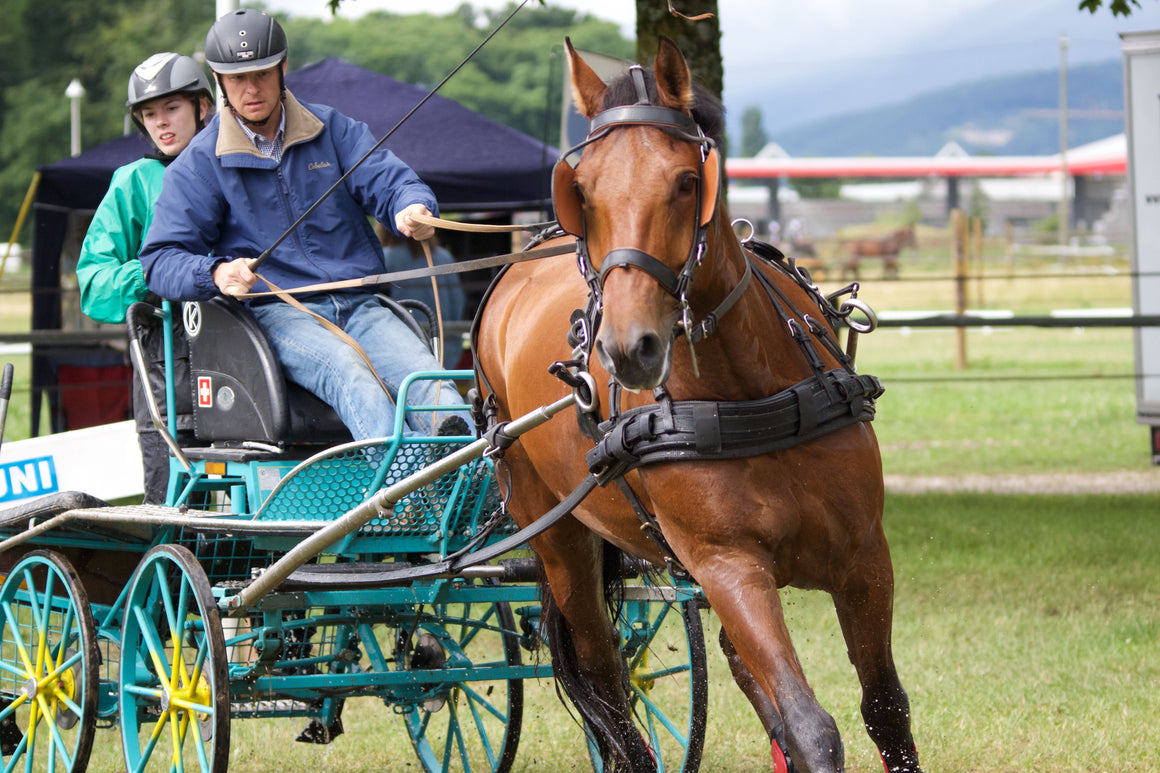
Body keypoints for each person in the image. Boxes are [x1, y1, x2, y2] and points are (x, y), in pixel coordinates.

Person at [139, 9, 469, 441]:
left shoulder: (335, 130)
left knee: (431, 386)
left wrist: (412, 207)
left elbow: (393, 184)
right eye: (237, 78)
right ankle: (406, 506)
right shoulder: (199, 163)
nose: (251, 89)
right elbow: (160, 261)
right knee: (352, 377)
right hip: (276, 314)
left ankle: (467, 494)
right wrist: (216, 273)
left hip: (362, 305)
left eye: (260, 73)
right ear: (218, 80)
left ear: (283, 67)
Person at [75, 52, 215, 504]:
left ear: (203, 107)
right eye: (149, 115)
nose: (161, 123)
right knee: (174, 503)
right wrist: (158, 270)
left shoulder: (238, 167)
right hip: (165, 364)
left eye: (172, 108)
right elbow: (94, 285)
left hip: (244, 348)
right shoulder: (133, 182)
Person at [374, 222, 467, 369]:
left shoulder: (384, 257)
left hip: (401, 345)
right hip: (444, 344)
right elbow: (458, 303)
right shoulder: (444, 257)